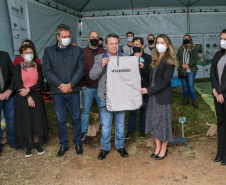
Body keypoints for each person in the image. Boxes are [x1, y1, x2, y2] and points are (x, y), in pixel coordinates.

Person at [42, 24, 85, 157]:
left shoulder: (77, 51)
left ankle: (77, 143)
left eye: (68, 36)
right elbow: (46, 71)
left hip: (73, 90)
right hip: (58, 91)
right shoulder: (49, 51)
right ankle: (64, 145)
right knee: (61, 119)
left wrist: (70, 84)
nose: (66, 39)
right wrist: (61, 84)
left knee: (76, 117)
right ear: (57, 37)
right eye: (64, 37)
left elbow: (81, 69)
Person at [90, 34, 129, 160]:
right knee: (106, 125)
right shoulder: (99, 58)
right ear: (106, 45)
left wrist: (136, 67)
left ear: (119, 44)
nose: (114, 46)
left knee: (120, 124)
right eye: (111, 43)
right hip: (104, 97)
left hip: (120, 97)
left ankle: (120, 146)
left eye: (116, 43)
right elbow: (92, 76)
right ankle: (105, 148)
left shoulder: (124, 58)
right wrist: (102, 66)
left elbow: (129, 77)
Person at [141, 34, 178, 160]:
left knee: (164, 124)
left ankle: (164, 148)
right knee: (155, 123)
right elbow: (152, 78)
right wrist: (144, 68)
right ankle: (157, 147)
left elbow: (165, 81)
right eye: (158, 42)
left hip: (162, 98)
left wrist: (149, 90)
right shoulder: (155, 58)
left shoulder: (169, 60)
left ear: (167, 45)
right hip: (153, 97)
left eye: (162, 42)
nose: (159, 44)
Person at [14, 44, 48, 157]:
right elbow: (18, 83)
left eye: (31, 52)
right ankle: (28, 145)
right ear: (22, 54)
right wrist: (28, 96)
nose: (29, 54)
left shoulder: (38, 66)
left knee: (36, 119)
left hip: (36, 94)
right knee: (26, 119)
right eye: (26, 52)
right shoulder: (17, 67)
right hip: (23, 96)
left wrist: (29, 89)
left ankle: (37, 143)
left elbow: (40, 82)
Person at [80, 31, 105, 141]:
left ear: (99, 39)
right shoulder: (82, 52)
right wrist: (82, 84)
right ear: (88, 39)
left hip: (101, 87)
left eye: (96, 37)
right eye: (92, 37)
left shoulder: (104, 51)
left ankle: (105, 131)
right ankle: (83, 131)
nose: (94, 39)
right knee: (85, 110)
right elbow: (78, 68)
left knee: (103, 110)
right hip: (87, 87)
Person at [125, 37, 151, 139]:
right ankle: (130, 130)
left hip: (145, 87)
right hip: (133, 88)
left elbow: (151, 74)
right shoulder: (128, 58)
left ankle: (142, 129)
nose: (135, 47)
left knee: (144, 109)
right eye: (134, 45)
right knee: (132, 110)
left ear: (142, 46)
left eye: (137, 45)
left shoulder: (148, 58)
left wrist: (143, 67)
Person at [210, 29, 226, 165]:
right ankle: (220, 152)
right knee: (220, 124)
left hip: (223, 94)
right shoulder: (218, 54)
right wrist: (216, 91)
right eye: (222, 38)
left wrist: (220, 91)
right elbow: (212, 73)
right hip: (218, 95)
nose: (222, 41)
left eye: (225, 39)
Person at [0, 50, 18, 156]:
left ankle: (13, 141)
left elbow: (13, 74)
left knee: (11, 119)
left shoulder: (4, 55)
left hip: (8, 96)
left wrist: (10, 90)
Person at [177, 34, 199, 108]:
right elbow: (177, 58)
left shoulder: (193, 48)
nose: (185, 39)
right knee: (185, 86)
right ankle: (186, 100)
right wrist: (181, 65)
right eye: (184, 38)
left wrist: (188, 65)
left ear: (190, 39)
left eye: (187, 38)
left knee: (190, 85)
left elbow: (195, 58)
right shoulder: (180, 49)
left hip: (191, 70)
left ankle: (194, 100)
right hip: (182, 69)